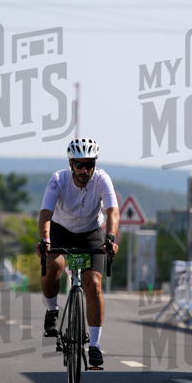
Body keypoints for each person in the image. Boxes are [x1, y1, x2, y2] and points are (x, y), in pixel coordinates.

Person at [36, 138, 119, 368]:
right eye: (80, 165)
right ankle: (52, 310)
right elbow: (45, 213)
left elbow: (113, 211)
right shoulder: (58, 180)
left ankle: (94, 345)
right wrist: (45, 239)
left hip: (90, 231)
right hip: (61, 230)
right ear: (70, 163)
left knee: (93, 283)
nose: (85, 170)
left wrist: (110, 238)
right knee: (53, 265)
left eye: (89, 165)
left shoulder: (102, 179)